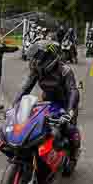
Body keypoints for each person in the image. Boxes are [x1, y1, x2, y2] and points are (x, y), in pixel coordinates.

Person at [13, 41, 81, 170]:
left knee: (68, 129)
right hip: (48, 102)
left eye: (39, 57)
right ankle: (41, 154)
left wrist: (70, 111)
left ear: (50, 57)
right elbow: (25, 88)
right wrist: (14, 105)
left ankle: (73, 156)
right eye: (35, 58)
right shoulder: (37, 69)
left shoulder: (65, 70)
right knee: (37, 125)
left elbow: (73, 90)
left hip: (66, 103)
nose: (36, 61)